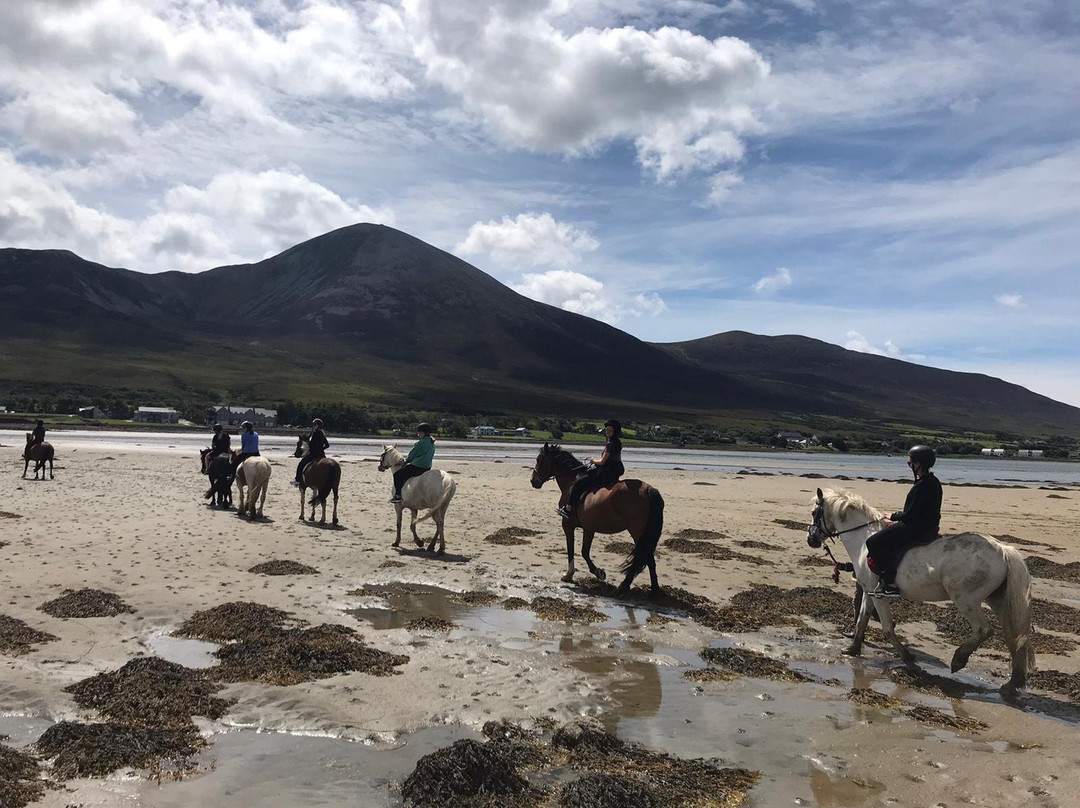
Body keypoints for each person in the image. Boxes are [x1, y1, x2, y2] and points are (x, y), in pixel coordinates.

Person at [867, 444, 943, 598]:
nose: (909, 465)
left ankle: (890, 583)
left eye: (910, 463)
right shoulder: (934, 481)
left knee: (873, 542)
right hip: (929, 526)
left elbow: (910, 514)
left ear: (918, 464)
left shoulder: (921, 486)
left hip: (916, 527)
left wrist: (893, 516)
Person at [556, 419, 625, 519]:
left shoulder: (611, 445)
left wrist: (593, 460)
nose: (607, 432)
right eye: (607, 430)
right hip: (612, 473)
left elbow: (602, 462)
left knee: (578, 484)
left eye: (610, 430)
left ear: (615, 432)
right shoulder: (617, 443)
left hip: (604, 474)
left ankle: (568, 509)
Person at [390, 422, 435, 504]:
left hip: (417, 466)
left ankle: (398, 496)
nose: (418, 434)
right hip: (427, 467)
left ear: (424, 433)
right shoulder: (432, 443)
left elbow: (412, 455)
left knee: (397, 475)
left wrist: (405, 461)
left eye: (419, 432)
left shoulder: (420, 443)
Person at [294, 418, 329, 487]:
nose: (313, 426)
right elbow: (327, 445)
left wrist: (315, 449)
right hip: (321, 454)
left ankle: (297, 480)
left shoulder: (315, 433)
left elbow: (312, 445)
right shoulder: (322, 433)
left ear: (318, 426)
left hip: (313, 454)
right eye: (313, 425)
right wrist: (321, 449)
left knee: (301, 464)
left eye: (315, 425)